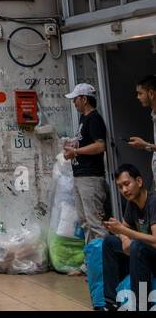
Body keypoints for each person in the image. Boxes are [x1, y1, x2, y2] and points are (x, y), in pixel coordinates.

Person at [102, 163, 156, 310]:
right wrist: (124, 237)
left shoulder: (153, 202)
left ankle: (141, 306)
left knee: (137, 246)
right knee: (109, 242)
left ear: (139, 181)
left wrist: (125, 233)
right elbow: (123, 229)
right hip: (145, 254)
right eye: (120, 187)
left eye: (127, 184)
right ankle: (110, 302)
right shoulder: (132, 204)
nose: (124, 190)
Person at [62, 82, 108, 243]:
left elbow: (100, 146)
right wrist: (72, 147)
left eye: (75, 99)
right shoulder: (83, 119)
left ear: (84, 99)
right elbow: (85, 143)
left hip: (91, 177)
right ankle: (91, 257)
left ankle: (104, 257)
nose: (74, 103)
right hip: (80, 176)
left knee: (95, 223)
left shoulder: (94, 119)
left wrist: (76, 152)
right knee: (85, 222)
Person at [129, 74, 156, 187]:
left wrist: (145, 145)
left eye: (140, 93)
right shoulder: (154, 115)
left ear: (151, 93)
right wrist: (145, 146)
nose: (138, 97)